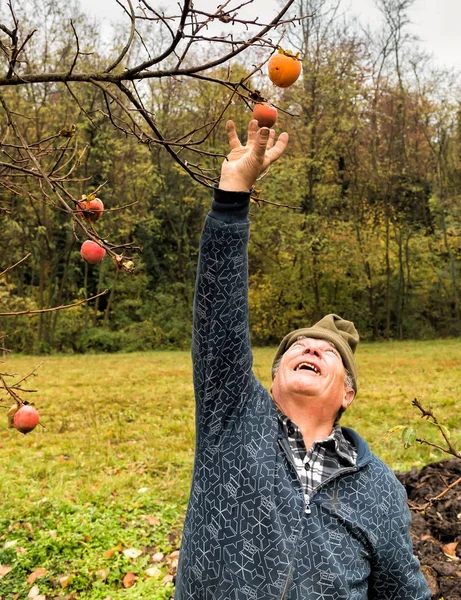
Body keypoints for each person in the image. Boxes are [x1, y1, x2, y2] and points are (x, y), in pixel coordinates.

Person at [174, 120, 430, 599]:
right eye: (299, 346)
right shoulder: (233, 415)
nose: (312, 348)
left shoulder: (379, 489)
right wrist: (233, 194)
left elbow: (405, 593)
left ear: (348, 393)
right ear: (272, 379)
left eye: (328, 353)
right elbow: (218, 314)